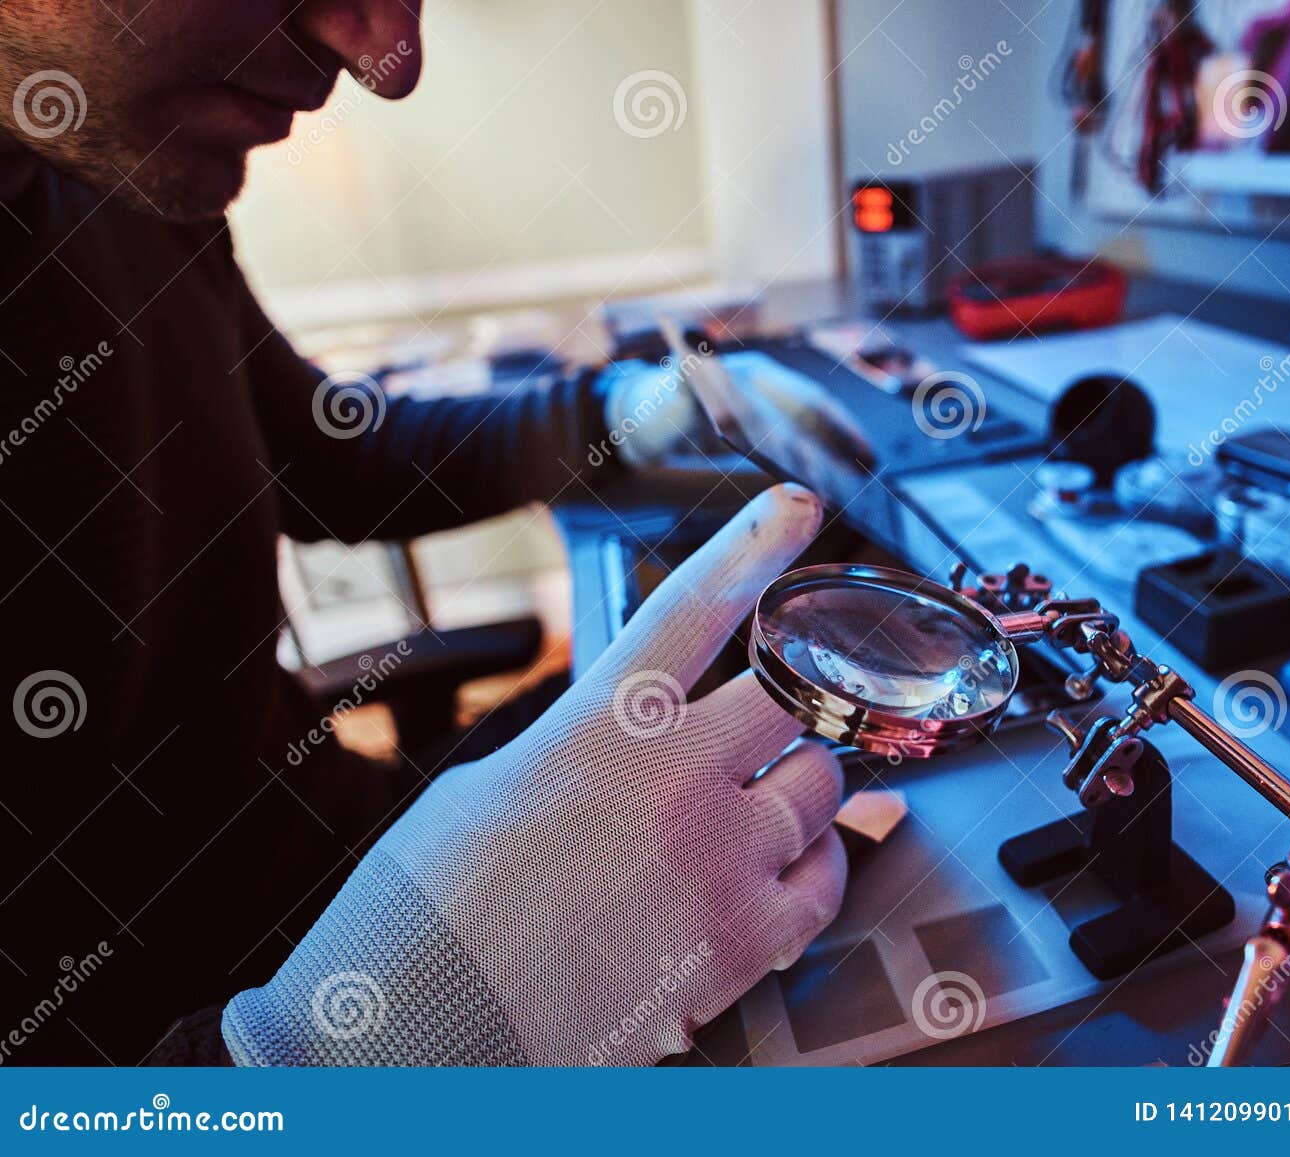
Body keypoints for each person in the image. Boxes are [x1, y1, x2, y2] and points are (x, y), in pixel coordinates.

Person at [0, 0, 850, 1065]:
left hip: (318, 849)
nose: (386, 61)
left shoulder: (124, 169)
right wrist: (334, 1060)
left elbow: (334, 466)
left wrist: (622, 409)